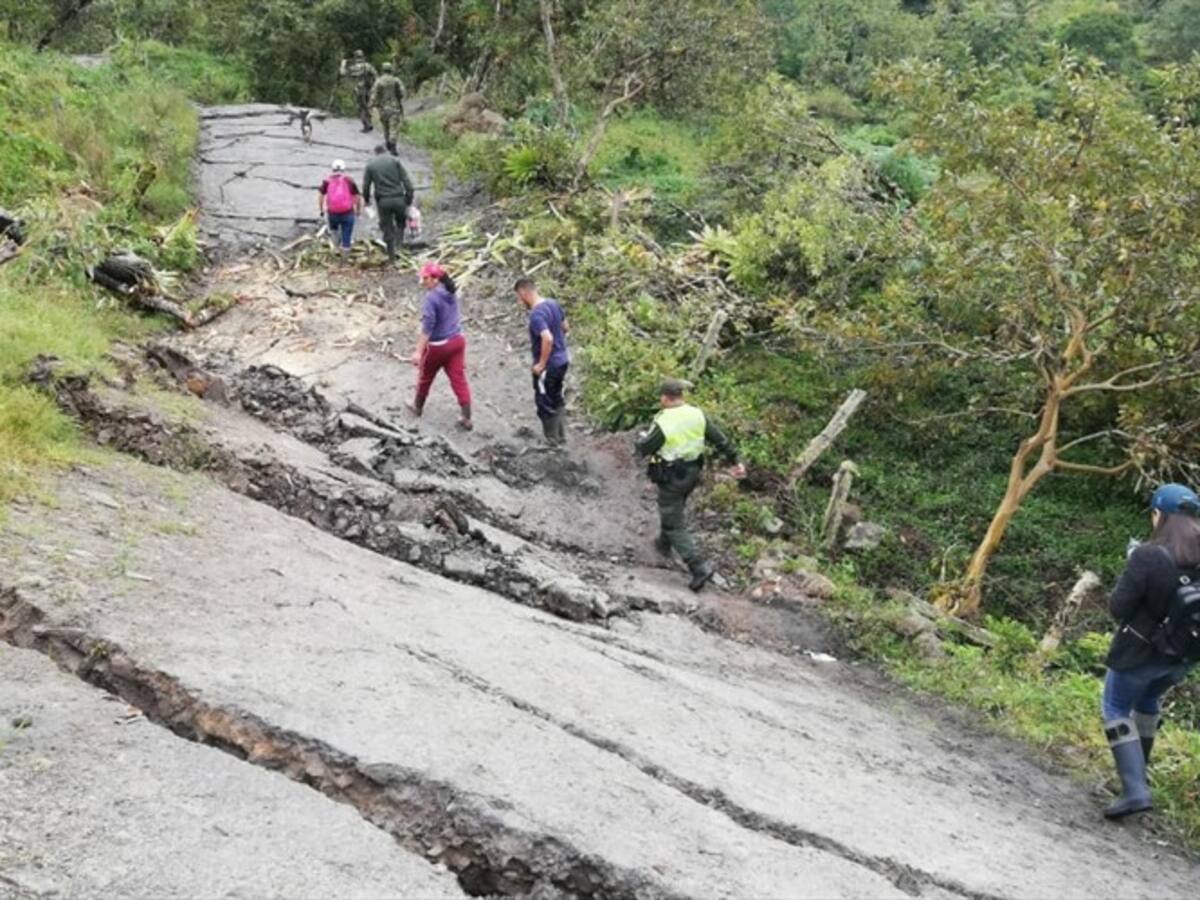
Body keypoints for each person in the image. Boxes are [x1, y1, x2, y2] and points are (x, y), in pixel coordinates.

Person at [1101, 483, 1200, 819]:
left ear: (1160, 515)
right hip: (1181, 658)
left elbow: (1118, 607)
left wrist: (1131, 567)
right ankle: (1137, 778)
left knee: (1115, 707)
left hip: (1138, 655)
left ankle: (1134, 790)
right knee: (1146, 702)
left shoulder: (1147, 555)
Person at [636, 378, 745, 591]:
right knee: (675, 507)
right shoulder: (697, 414)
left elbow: (647, 447)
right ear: (682, 396)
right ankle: (663, 544)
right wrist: (736, 459)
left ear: (665, 398)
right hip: (693, 472)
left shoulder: (664, 421)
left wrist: (640, 441)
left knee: (672, 520)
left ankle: (698, 566)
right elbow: (719, 439)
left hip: (672, 475)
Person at [409, 262, 472, 430]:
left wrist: (418, 351)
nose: (423, 281)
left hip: (438, 346)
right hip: (457, 341)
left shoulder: (431, 298)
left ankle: (417, 407)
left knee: (425, 377)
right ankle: (466, 416)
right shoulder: (450, 291)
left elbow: (427, 327)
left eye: (426, 278)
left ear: (435, 279)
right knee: (458, 379)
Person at [514, 277, 569, 445]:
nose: (519, 300)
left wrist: (541, 364)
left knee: (544, 401)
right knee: (557, 396)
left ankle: (552, 441)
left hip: (549, 366)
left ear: (524, 292)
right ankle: (561, 436)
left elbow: (548, 338)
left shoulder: (537, 314)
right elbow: (565, 327)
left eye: (518, 296)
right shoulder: (553, 304)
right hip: (563, 360)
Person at [362, 146, 415, 264]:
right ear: (386, 151)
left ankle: (391, 257)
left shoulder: (371, 165)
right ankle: (399, 247)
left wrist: (366, 201)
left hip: (383, 201)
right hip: (399, 199)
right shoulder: (395, 161)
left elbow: (366, 186)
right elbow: (407, 182)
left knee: (387, 227)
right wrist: (409, 199)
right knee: (401, 223)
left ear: (375, 153)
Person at [317, 159, 362, 257]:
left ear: (332, 169)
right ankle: (345, 256)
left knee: (334, 231)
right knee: (347, 234)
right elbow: (357, 197)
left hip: (332, 212)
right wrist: (358, 210)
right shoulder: (349, 180)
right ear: (344, 169)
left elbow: (321, 196)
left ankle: (336, 249)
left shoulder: (327, 181)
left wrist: (321, 210)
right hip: (347, 212)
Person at [370, 62, 406, 155]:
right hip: (394, 107)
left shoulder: (379, 81)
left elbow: (374, 94)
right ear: (391, 70)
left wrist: (371, 105)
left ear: (383, 70)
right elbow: (402, 93)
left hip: (382, 108)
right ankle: (392, 145)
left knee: (385, 127)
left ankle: (387, 143)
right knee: (393, 127)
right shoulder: (396, 80)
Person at [339, 50, 377, 132]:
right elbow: (376, 76)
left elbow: (343, 73)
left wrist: (343, 64)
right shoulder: (368, 66)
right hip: (369, 89)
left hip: (360, 89)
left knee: (361, 108)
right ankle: (369, 122)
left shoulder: (354, 67)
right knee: (368, 106)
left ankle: (367, 125)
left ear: (355, 57)